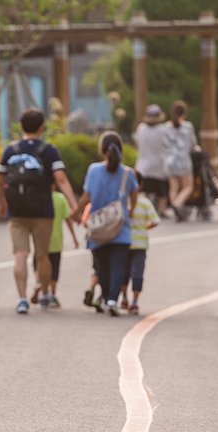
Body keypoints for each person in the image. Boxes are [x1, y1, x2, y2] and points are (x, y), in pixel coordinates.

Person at [0, 109, 78, 315]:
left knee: (20, 255)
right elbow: (60, 178)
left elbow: (0, 181)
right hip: (43, 209)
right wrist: (73, 203)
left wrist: (2, 202)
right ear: (41, 127)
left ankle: (22, 299)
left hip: (17, 210)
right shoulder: (49, 151)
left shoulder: (10, 150)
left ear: (21, 126)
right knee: (43, 255)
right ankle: (43, 293)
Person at [72, 131, 139, 317]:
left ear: (102, 150)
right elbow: (135, 194)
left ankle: (106, 296)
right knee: (118, 266)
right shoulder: (127, 173)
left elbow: (86, 196)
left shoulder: (93, 170)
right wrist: (130, 210)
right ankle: (111, 300)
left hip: (98, 227)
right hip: (120, 227)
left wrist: (76, 213)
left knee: (101, 267)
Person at [30, 187, 78, 308]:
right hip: (55, 241)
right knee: (54, 269)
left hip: (40, 240)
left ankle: (40, 284)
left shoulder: (37, 197)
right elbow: (68, 219)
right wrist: (74, 237)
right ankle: (51, 293)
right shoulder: (60, 198)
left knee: (39, 263)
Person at [119, 172, 160, 315]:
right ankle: (135, 302)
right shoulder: (145, 202)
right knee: (137, 273)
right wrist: (143, 228)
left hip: (123, 242)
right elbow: (155, 221)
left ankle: (124, 298)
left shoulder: (122, 201)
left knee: (123, 272)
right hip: (140, 244)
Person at [164, 100, 197, 221]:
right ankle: (177, 204)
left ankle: (176, 210)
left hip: (169, 161)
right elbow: (193, 143)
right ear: (184, 113)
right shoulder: (188, 126)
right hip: (183, 160)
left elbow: (164, 144)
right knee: (188, 187)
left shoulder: (166, 127)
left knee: (174, 187)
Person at [133, 104, 169, 214]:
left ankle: (140, 210)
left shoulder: (141, 128)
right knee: (162, 193)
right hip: (159, 167)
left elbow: (136, 141)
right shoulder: (163, 130)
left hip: (142, 167)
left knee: (143, 191)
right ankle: (161, 210)